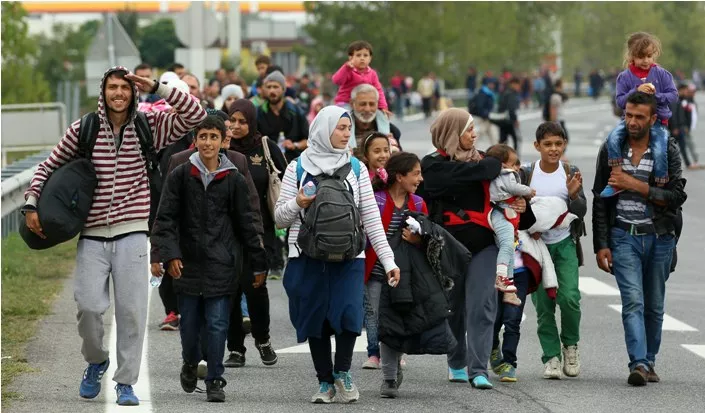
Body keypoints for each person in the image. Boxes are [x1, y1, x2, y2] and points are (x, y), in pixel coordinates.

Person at [21, 66, 207, 405]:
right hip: (91, 233)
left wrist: (158, 87)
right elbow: (48, 165)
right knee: (89, 308)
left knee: (132, 311)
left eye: (124, 87)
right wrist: (32, 202)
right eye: (112, 87)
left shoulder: (150, 127)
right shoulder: (84, 129)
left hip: (133, 231)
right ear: (103, 92)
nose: (118, 93)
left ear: (134, 92)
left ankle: (125, 383)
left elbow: (196, 114)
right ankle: (96, 361)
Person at [274, 106, 400, 404]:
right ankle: (324, 381)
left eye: (348, 129)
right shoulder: (297, 167)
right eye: (340, 128)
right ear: (322, 129)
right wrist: (299, 203)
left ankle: (342, 372)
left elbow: (370, 219)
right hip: (306, 256)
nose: (346, 134)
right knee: (314, 317)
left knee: (348, 314)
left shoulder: (356, 168)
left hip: (349, 257)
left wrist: (389, 260)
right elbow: (279, 218)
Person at [151, 115, 267, 402]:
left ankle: (215, 379)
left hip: (222, 263)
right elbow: (165, 219)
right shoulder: (180, 175)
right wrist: (169, 254)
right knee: (189, 326)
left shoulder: (234, 179)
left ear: (222, 141)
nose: (208, 142)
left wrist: (258, 261)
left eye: (214, 137)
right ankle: (191, 362)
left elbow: (247, 223)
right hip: (187, 265)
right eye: (203, 136)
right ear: (195, 140)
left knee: (218, 324)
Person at [419, 108, 535, 389]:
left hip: (485, 246)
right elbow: (442, 180)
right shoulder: (432, 165)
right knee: (453, 307)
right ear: (451, 134)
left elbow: (523, 212)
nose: (475, 134)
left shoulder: (487, 162)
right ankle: (456, 362)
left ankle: (479, 368)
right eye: (469, 130)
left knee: (482, 304)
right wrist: (485, 168)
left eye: (473, 129)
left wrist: (522, 204)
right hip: (448, 247)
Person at [592, 91, 686, 386]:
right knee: (632, 301)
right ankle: (639, 363)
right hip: (623, 236)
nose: (632, 122)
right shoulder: (611, 148)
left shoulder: (667, 150)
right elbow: (599, 198)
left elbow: (676, 196)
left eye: (639, 117)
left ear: (653, 119)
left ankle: (651, 359)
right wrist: (601, 244)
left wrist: (635, 184)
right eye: (628, 116)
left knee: (654, 305)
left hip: (659, 237)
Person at [519, 121, 586, 380]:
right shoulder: (526, 174)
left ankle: (570, 345)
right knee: (544, 305)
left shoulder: (570, 171)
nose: (553, 149)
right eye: (547, 144)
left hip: (564, 244)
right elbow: (516, 209)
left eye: (558, 144)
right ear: (537, 146)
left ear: (564, 144)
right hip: (535, 248)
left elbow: (581, 212)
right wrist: (529, 229)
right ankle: (552, 357)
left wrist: (573, 196)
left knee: (569, 298)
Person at [223, 99, 287, 368]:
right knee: (229, 291)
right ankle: (235, 348)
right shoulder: (220, 146)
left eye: (243, 121)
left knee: (256, 289)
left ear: (252, 122)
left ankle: (263, 339)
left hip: (260, 231)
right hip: (225, 232)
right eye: (232, 120)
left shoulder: (265, 147)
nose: (237, 126)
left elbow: (286, 177)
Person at [600, 32, 678, 198]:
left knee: (660, 146)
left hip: (656, 120)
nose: (646, 61)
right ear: (632, 56)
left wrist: (655, 95)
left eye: (649, 56)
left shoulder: (662, 74)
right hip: (629, 121)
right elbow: (620, 101)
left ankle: (660, 182)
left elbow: (673, 96)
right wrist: (636, 91)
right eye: (641, 56)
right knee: (613, 138)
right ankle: (616, 178)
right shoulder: (624, 77)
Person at [486, 144, 536, 307]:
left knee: (508, 250)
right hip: (502, 213)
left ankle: (509, 289)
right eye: (514, 163)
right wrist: (528, 191)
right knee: (507, 246)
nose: (517, 167)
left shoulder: (493, 176)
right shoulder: (506, 174)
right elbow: (513, 187)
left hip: (505, 214)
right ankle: (502, 277)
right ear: (502, 164)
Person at [359, 134, 392, 368]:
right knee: (371, 307)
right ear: (366, 155)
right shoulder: (359, 178)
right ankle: (373, 352)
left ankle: (394, 351)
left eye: (386, 150)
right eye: (376, 151)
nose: (382, 155)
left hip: (392, 251)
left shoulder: (395, 178)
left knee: (392, 305)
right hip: (366, 250)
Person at [256, 70, 310, 163]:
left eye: (275, 87)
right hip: (267, 163)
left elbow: (309, 141)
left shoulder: (296, 112)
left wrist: (294, 145)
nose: (272, 90)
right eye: (268, 87)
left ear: (283, 89)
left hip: (293, 163)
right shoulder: (258, 112)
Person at [332, 40, 389, 114]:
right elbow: (337, 81)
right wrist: (346, 68)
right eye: (358, 55)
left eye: (365, 55)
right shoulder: (348, 70)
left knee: (379, 117)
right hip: (346, 103)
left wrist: (382, 107)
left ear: (370, 58)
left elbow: (378, 91)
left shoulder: (372, 74)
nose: (362, 58)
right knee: (346, 118)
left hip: (364, 104)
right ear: (351, 57)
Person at [348, 84, 402, 156]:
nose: (367, 109)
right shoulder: (342, 130)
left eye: (372, 104)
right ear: (352, 104)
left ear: (377, 104)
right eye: (363, 104)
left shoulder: (391, 130)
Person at [494, 77, 522, 157]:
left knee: (503, 141)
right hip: (509, 121)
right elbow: (512, 108)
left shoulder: (504, 92)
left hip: (502, 120)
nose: (518, 87)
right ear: (513, 84)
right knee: (516, 140)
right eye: (518, 85)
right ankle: (515, 158)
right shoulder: (512, 94)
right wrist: (515, 120)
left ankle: (501, 157)